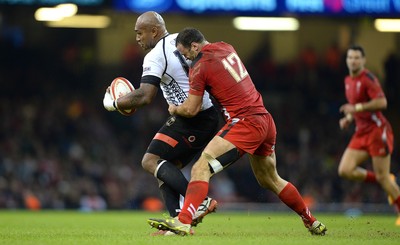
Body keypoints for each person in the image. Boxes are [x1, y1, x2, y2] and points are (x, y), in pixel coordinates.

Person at [147, 27, 327, 236]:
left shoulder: (200, 66)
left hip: (245, 122)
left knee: (201, 167)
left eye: (184, 52)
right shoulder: (226, 47)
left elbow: (190, 109)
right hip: (265, 119)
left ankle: (184, 221)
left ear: (194, 46)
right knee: (269, 179)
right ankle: (311, 220)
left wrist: (174, 108)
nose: (184, 57)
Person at [103, 12, 220, 235]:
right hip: (204, 113)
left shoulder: (156, 55)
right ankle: (178, 223)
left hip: (194, 118)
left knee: (150, 161)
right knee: (164, 168)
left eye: (140, 33)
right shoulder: (181, 41)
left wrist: (115, 104)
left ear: (154, 31)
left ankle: (200, 203)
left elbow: (145, 96)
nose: (137, 38)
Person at [338, 45, 400, 226]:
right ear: (347, 60)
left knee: (382, 178)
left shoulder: (368, 79)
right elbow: (355, 105)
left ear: (363, 60)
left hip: (377, 131)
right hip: (361, 131)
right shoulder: (348, 80)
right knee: (345, 170)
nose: (353, 61)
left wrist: (355, 109)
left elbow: (382, 102)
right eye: (350, 57)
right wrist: (349, 118)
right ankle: (387, 179)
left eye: (357, 57)